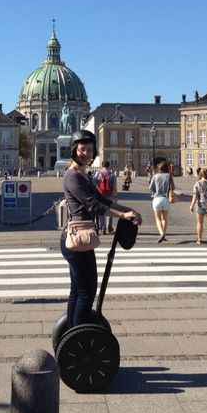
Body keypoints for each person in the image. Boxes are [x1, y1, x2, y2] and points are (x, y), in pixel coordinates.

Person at [62, 130, 142, 327]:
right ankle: (79, 335)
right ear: (74, 150)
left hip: (83, 237)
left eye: (90, 150)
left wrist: (128, 209)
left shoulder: (84, 175)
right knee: (86, 292)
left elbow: (102, 200)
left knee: (78, 290)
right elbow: (93, 206)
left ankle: (72, 329)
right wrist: (122, 216)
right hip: (77, 238)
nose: (86, 153)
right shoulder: (73, 176)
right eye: (82, 149)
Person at [190, 168, 207, 247]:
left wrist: (191, 205)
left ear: (200, 174)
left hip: (201, 205)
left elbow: (195, 196)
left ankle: (199, 239)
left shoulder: (198, 184)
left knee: (200, 223)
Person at [149, 160, 174, 243]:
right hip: (165, 199)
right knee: (165, 218)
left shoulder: (155, 176)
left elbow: (150, 188)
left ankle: (161, 233)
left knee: (157, 218)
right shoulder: (169, 176)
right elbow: (173, 187)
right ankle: (164, 233)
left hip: (156, 199)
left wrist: (155, 191)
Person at [94, 161, 118, 233]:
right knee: (110, 211)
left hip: (100, 195)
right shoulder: (112, 174)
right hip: (110, 195)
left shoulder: (98, 173)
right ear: (108, 166)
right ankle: (109, 227)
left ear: (102, 165)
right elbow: (114, 187)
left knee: (101, 212)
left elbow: (94, 183)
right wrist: (115, 196)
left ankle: (102, 227)